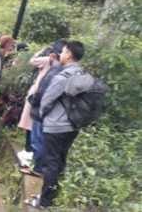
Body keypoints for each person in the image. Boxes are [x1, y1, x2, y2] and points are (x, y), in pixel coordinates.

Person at [26, 41, 86, 209]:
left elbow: (46, 100)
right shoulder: (82, 74)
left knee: (51, 162)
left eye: (64, 51)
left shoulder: (63, 76)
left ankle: (44, 201)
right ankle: (52, 195)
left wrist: (44, 117)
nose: (61, 54)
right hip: (72, 126)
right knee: (60, 161)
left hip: (56, 126)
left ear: (68, 54)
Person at [17, 41, 65, 171]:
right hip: (42, 100)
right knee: (33, 128)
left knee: (32, 128)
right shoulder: (61, 66)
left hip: (37, 97)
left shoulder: (48, 60)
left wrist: (42, 49)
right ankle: (31, 156)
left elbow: (32, 60)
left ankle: (31, 158)